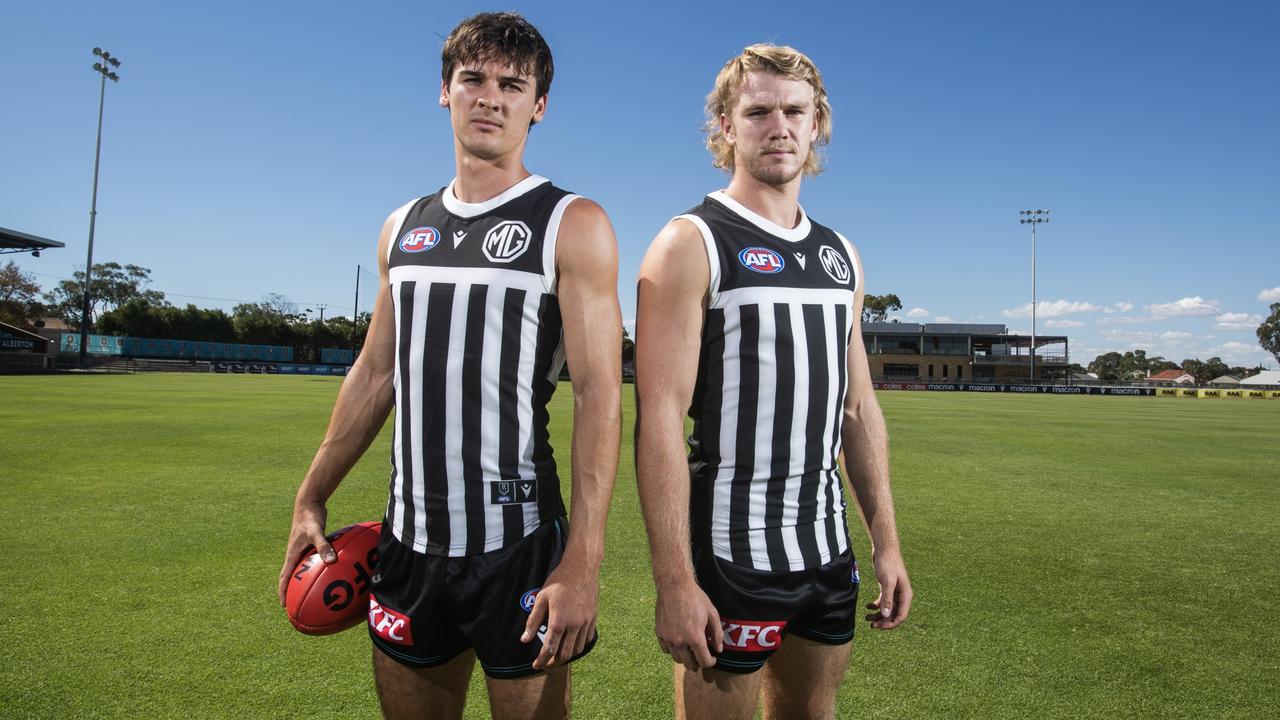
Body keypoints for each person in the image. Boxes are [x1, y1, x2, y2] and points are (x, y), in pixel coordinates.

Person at [277, 12, 621, 719]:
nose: (490, 98)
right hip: (407, 542)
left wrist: (583, 559)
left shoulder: (572, 222)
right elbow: (374, 376)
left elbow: (598, 395)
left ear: (539, 105)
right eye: (473, 79)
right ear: (445, 92)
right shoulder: (403, 227)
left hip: (518, 544)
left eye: (511, 84)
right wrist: (311, 495)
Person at [634, 44, 912, 719]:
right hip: (729, 551)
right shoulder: (691, 243)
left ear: (817, 125)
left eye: (795, 111)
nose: (778, 126)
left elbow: (857, 410)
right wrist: (675, 580)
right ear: (725, 127)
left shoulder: (839, 255)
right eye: (757, 111)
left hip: (825, 548)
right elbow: (660, 419)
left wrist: (888, 543)